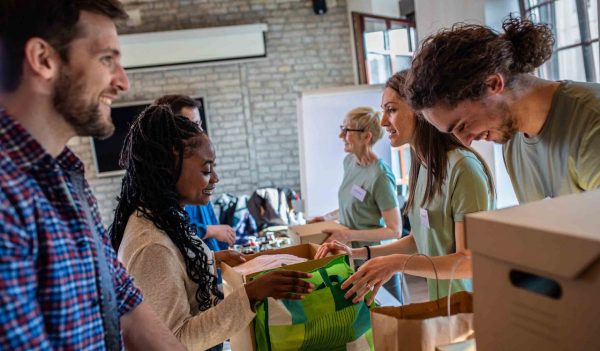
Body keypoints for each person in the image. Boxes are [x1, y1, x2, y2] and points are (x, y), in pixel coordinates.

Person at [0, 1, 185, 350]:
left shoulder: (68, 176)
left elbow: (122, 300)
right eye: (107, 59)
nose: (123, 82)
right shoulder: (6, 193)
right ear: (43, 59)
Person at [110, 105, 314, 351]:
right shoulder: (152, 245)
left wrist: (211, 259)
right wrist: (251, 294)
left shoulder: (164, 219)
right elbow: (175, 340)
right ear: (168, 169)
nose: (215, 178)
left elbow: (175, 274)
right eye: (207, 170)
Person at [316, 70, 495, 303]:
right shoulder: (422, 166)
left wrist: (396, 264)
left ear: (421, 111)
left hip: (469, 311)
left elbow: (468, 262)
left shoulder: (463, 169)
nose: (382, 122)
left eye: (391, 109)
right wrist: (357, 253)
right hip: (439, 306)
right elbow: (419, 240)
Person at [406, 16, 600, 203]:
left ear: (493, 84)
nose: (467, 141)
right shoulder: (512, 141)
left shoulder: (591, 121)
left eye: (463, 125)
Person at [154, 94, 235, 252]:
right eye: (192, 125)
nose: (199, 132)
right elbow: (177, 228)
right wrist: (211, 230)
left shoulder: (197, 180)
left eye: (199, 125)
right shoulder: (172, 185)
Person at [310, 107, 401, 248]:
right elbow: (354, 205)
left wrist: (348, 235)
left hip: (373, 257)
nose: (341, 136)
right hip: (352, 253)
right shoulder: (349, 162)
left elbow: (394, 230)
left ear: (366, 137)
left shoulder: (380, 176)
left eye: (347, 130)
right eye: (342, 129)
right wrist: (325, 218)